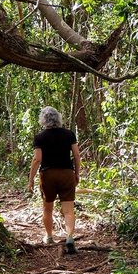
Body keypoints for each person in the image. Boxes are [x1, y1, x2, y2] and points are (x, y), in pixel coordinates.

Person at [27, 106, 81, 253]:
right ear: (58, 118)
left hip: (48, 175)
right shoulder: (69, 134)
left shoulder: (40, 137)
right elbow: (76, 155)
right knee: (69, 210)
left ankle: (49, 236)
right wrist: (77, 173)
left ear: (43, 120)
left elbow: (37, 159)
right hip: (66, 173)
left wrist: (31, 179)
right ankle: (69, 237)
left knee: (47, 208)